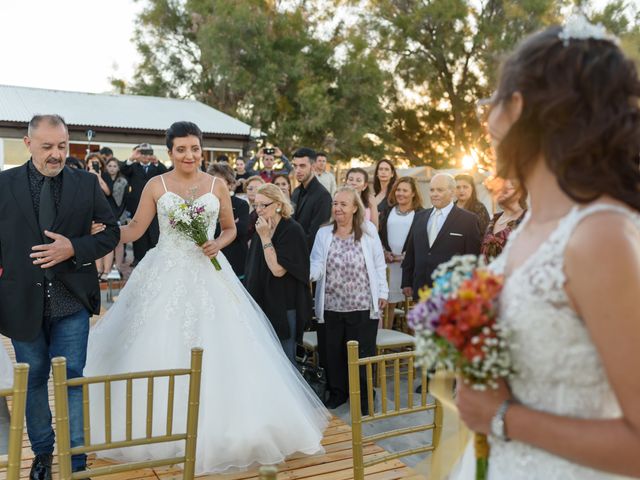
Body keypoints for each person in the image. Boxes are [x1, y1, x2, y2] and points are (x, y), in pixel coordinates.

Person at [451, 17, 640, 479]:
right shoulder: (532, 223)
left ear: (518, 106)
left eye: (493, 98)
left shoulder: (599, 236)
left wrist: (501, 417)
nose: (486, 117)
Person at [85, 121, 329, 474]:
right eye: (181, 149)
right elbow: (136, 229)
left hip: (208, 271)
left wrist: (218, 242)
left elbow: (231, 229)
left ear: (202, 150)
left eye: (195, 148)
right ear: (170, 152)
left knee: (228, 346)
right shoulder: (156, 184)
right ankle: (159, 428)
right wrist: (105, 233)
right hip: (164, 271)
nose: (189, 155)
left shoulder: (216, 185)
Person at [0, 114, 120, 479]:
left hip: (72, 301)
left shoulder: (86, 183)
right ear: (28, 143)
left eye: (63, 146)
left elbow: (111, 232)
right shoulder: (3, 184)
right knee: (33, 380)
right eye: (48, 146)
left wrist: (75, 248)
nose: (56, 154)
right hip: (22, 303)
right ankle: (42, 454)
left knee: (71, 377)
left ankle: (76, 457)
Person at [310, 186, 388, 412]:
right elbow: (316, 263)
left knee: (362, 355)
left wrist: (382, 292)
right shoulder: (323, 233)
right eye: (335, 204)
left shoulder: (369, 231)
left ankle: (364, 399)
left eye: (343, 204)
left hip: (362, 305)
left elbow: (378, 264)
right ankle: (337, 394)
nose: (338, 208)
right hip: (331, 305)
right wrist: (309, 273)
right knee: (332, 354)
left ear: (355, 208)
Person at [245, 184, 312, 363]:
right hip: (262, 301)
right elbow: (252, 268)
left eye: (263, 205)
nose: (258, 210)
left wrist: (266, 238)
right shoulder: (262, 227)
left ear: (278, 204)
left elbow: (277, 270)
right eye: (255, 205)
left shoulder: (292, 230)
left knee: (284, 359)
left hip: (284, 305)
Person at [401, 173, 481, 300]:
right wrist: (406, 281)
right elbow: (411, 253)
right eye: (432, 190)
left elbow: (473, 258)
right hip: (421, 289)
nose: (434, 194)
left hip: (452, 292)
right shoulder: (419, 217)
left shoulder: (469, 220)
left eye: (440, 190)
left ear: (452, 192)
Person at [379, 177, 424, 327]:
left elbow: (422, 240)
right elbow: (380, 235)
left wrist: (407, 256)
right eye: (398, 190)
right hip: (389, 265)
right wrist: (384, 252)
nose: (400, 193)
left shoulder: (421, 214)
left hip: (408, 266)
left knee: (412, 306)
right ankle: (385, 340)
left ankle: (409, 343)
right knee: (388, 304)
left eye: (405, 190)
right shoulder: (387, 211)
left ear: (413, 193)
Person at [119, 143, 168, 266]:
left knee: (154, 231)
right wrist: (132, 158)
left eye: (148, 154)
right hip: (137, 205)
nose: (146, 157)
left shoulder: (157, 168)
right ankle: (138, 258)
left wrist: (156, 162)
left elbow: (165, 173)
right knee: (138, 231)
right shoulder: (133, 167)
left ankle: (154, 257)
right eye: (143, 153)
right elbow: (123, 169)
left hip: (155, 206)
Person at [209, 162, 249, 280]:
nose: (215, 186)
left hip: (235, 261)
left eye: (219, 182)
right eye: (212, 182)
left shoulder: (241, 204)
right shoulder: (204, 205)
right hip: (210, 262)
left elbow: (241, 230)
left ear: (230, 184)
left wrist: (227, 229)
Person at [291, 148, 332, 249]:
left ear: (313, 167)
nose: (297, 170)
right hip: (292, 253)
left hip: (310, 256)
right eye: (295, 166)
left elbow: (316, 235)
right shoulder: (295, 192)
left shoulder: (323, 196)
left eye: (302, 166)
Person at [481, 179, 527, 261]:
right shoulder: (494, 219)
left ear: (520, 192)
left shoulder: (526, 219)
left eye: (506, 189)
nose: (501, 193)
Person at [86, 153, 113, 280]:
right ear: (87, 164)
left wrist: (98, 177)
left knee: (107, 240)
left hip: (105, 212)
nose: (93, 164)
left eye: (96, 163)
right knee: (95, 241)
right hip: (90, 212)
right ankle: (97, 269)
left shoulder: (106, 175)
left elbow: (108, 191)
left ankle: (107, 271)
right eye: (91, 162)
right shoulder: (82, 176)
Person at [103, 158, 129, 272]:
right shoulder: (102, 179)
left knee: (119, 242)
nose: (112, 168)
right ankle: (105, 268)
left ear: (118, 168)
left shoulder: (123, 181)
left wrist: (119, 217)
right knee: (106, 241)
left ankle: (118, 267)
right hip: (105, 215)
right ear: (106, 167)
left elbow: (124, 201)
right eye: (110, 166)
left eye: (114, 166)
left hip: (119, 214)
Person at [244, 175, 266, 241]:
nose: (253, 191)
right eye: (250, 188)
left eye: (257, 189)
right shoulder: (241, 207)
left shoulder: (267, 209)